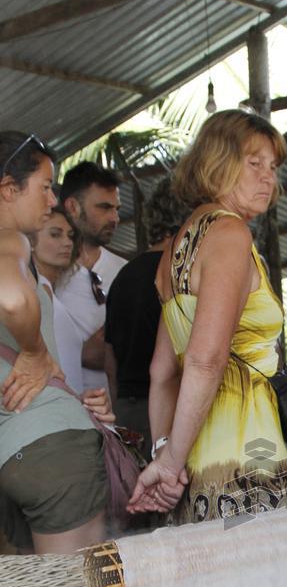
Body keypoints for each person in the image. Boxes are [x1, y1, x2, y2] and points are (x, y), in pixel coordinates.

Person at [127, 109, 287, 522]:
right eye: (253, 163)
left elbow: (161, 371)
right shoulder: (230, 234)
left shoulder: (176, 248)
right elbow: (205, 359)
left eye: (271, 166)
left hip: (195, 457)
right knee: (260, 582)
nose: (267, 177)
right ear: (216, 161)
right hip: (243, 453)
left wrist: (168, 454)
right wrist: (169, 463)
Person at [0, 131, 107, 553]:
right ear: (9, 189)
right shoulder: (9, 239)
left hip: (11, 453)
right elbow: (10, 297)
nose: (51, 201)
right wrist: (33, 352)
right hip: (51, 447)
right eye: (45, 187)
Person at [104, 176, 188, 457]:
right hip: (169, 408)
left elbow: (109, 355)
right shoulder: (179, 275)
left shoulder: (124, 276)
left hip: (128, 409)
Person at [31, 204, 114, 426]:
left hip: (71, 413)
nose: (66, 242)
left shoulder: (52, 292)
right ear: (29, 241)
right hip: (53, 420)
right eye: (55, 234)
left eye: (70, 235)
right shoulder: (32, 294)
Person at [57, 161, 125, 395]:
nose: (114, 217)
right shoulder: (45, 271)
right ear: (73, 207)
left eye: (116, 208)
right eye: (104, 208)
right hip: (61, 411)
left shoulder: (124, 271)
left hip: (111, 414)